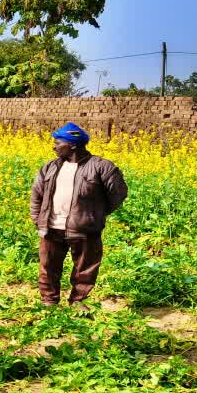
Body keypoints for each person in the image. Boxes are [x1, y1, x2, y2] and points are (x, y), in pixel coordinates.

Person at [29, 122, 127, 309]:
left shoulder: (102, 167)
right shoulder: (50, 166)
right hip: (52, 227)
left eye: (58, 143)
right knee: (48, 267)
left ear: (72, 144)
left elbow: (118, 194)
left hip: (84, 229)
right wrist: (37, 219)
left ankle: (78, 302)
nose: (54, 146)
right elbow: (37, 195)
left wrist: (94, 214)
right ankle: (49, 302)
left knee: (85, 269)